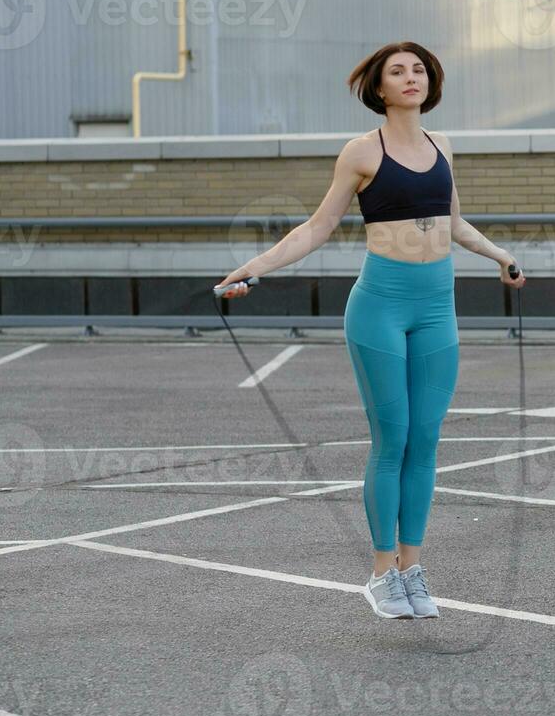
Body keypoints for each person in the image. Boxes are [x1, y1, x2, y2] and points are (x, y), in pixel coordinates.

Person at [217, 40, 526, 620]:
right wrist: (254, 268)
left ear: (429, 83)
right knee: (393, 438)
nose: (411, 78)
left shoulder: (442, 146)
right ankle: (382, 572)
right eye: (397, 72)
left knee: (427, 440)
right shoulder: (362, 152)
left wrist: (499, 254)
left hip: (438, 304)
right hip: (380, 305)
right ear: (379, 90)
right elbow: (317, 226)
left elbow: (454, 222)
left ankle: (413, 570)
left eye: (419, 70)